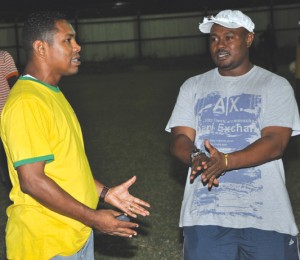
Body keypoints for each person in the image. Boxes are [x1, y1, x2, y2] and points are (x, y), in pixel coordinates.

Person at [0, 11, 150, 259]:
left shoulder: (50, 94)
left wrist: (105, 193)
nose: (77, 47)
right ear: (41, 48)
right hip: (46, 244)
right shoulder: (27, 102)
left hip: (73, 235)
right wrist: (94, 218)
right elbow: (32, 181)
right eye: (67, 40)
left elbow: (65, 168)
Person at [166, 9, 300, 260]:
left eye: (229, 37)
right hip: (205, 215)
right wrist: (196, 156)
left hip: (266, 216)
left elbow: (275, 142)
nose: (220, 45)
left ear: (248, 39)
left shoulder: (275, 85)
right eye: (214, 39)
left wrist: (226, 161)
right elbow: (179, 139)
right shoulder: (193, 86)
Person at [0, 50, 18, 186]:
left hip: (5, 113)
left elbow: (13, 83)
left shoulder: (4, 56)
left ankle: (9, 178)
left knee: (7, 148)